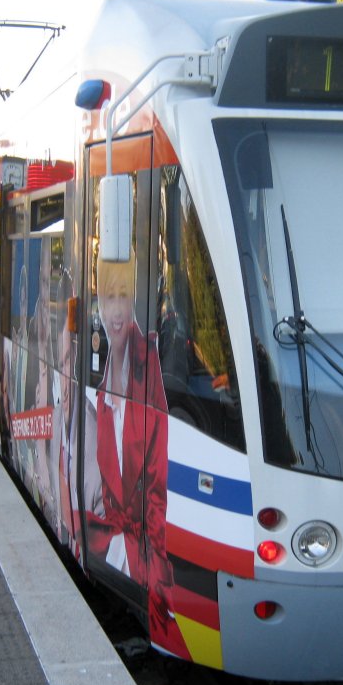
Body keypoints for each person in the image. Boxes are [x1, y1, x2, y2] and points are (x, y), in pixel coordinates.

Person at [89, 250, 190, 660]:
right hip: (115, 548)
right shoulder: (98, 370)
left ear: (135, 299)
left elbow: (157, 491)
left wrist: (157, 582)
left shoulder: (150, 361)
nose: (116, 311)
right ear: (98, 300)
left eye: (124, 296)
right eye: (109, 297)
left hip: (143, 556)